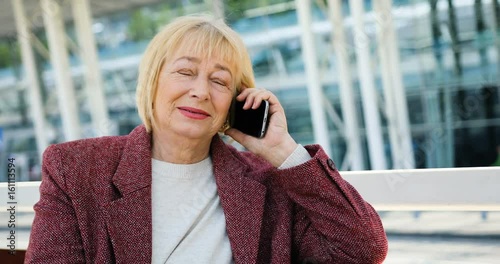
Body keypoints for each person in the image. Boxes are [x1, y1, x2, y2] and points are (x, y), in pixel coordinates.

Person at [25, 15, 388, 263]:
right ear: (153, 82)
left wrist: (282, 151)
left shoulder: (270, 181)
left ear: (237, 100)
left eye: (219, 81)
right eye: (185, 72)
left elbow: (363, 249)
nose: (200, 91)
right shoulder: (76, 169)